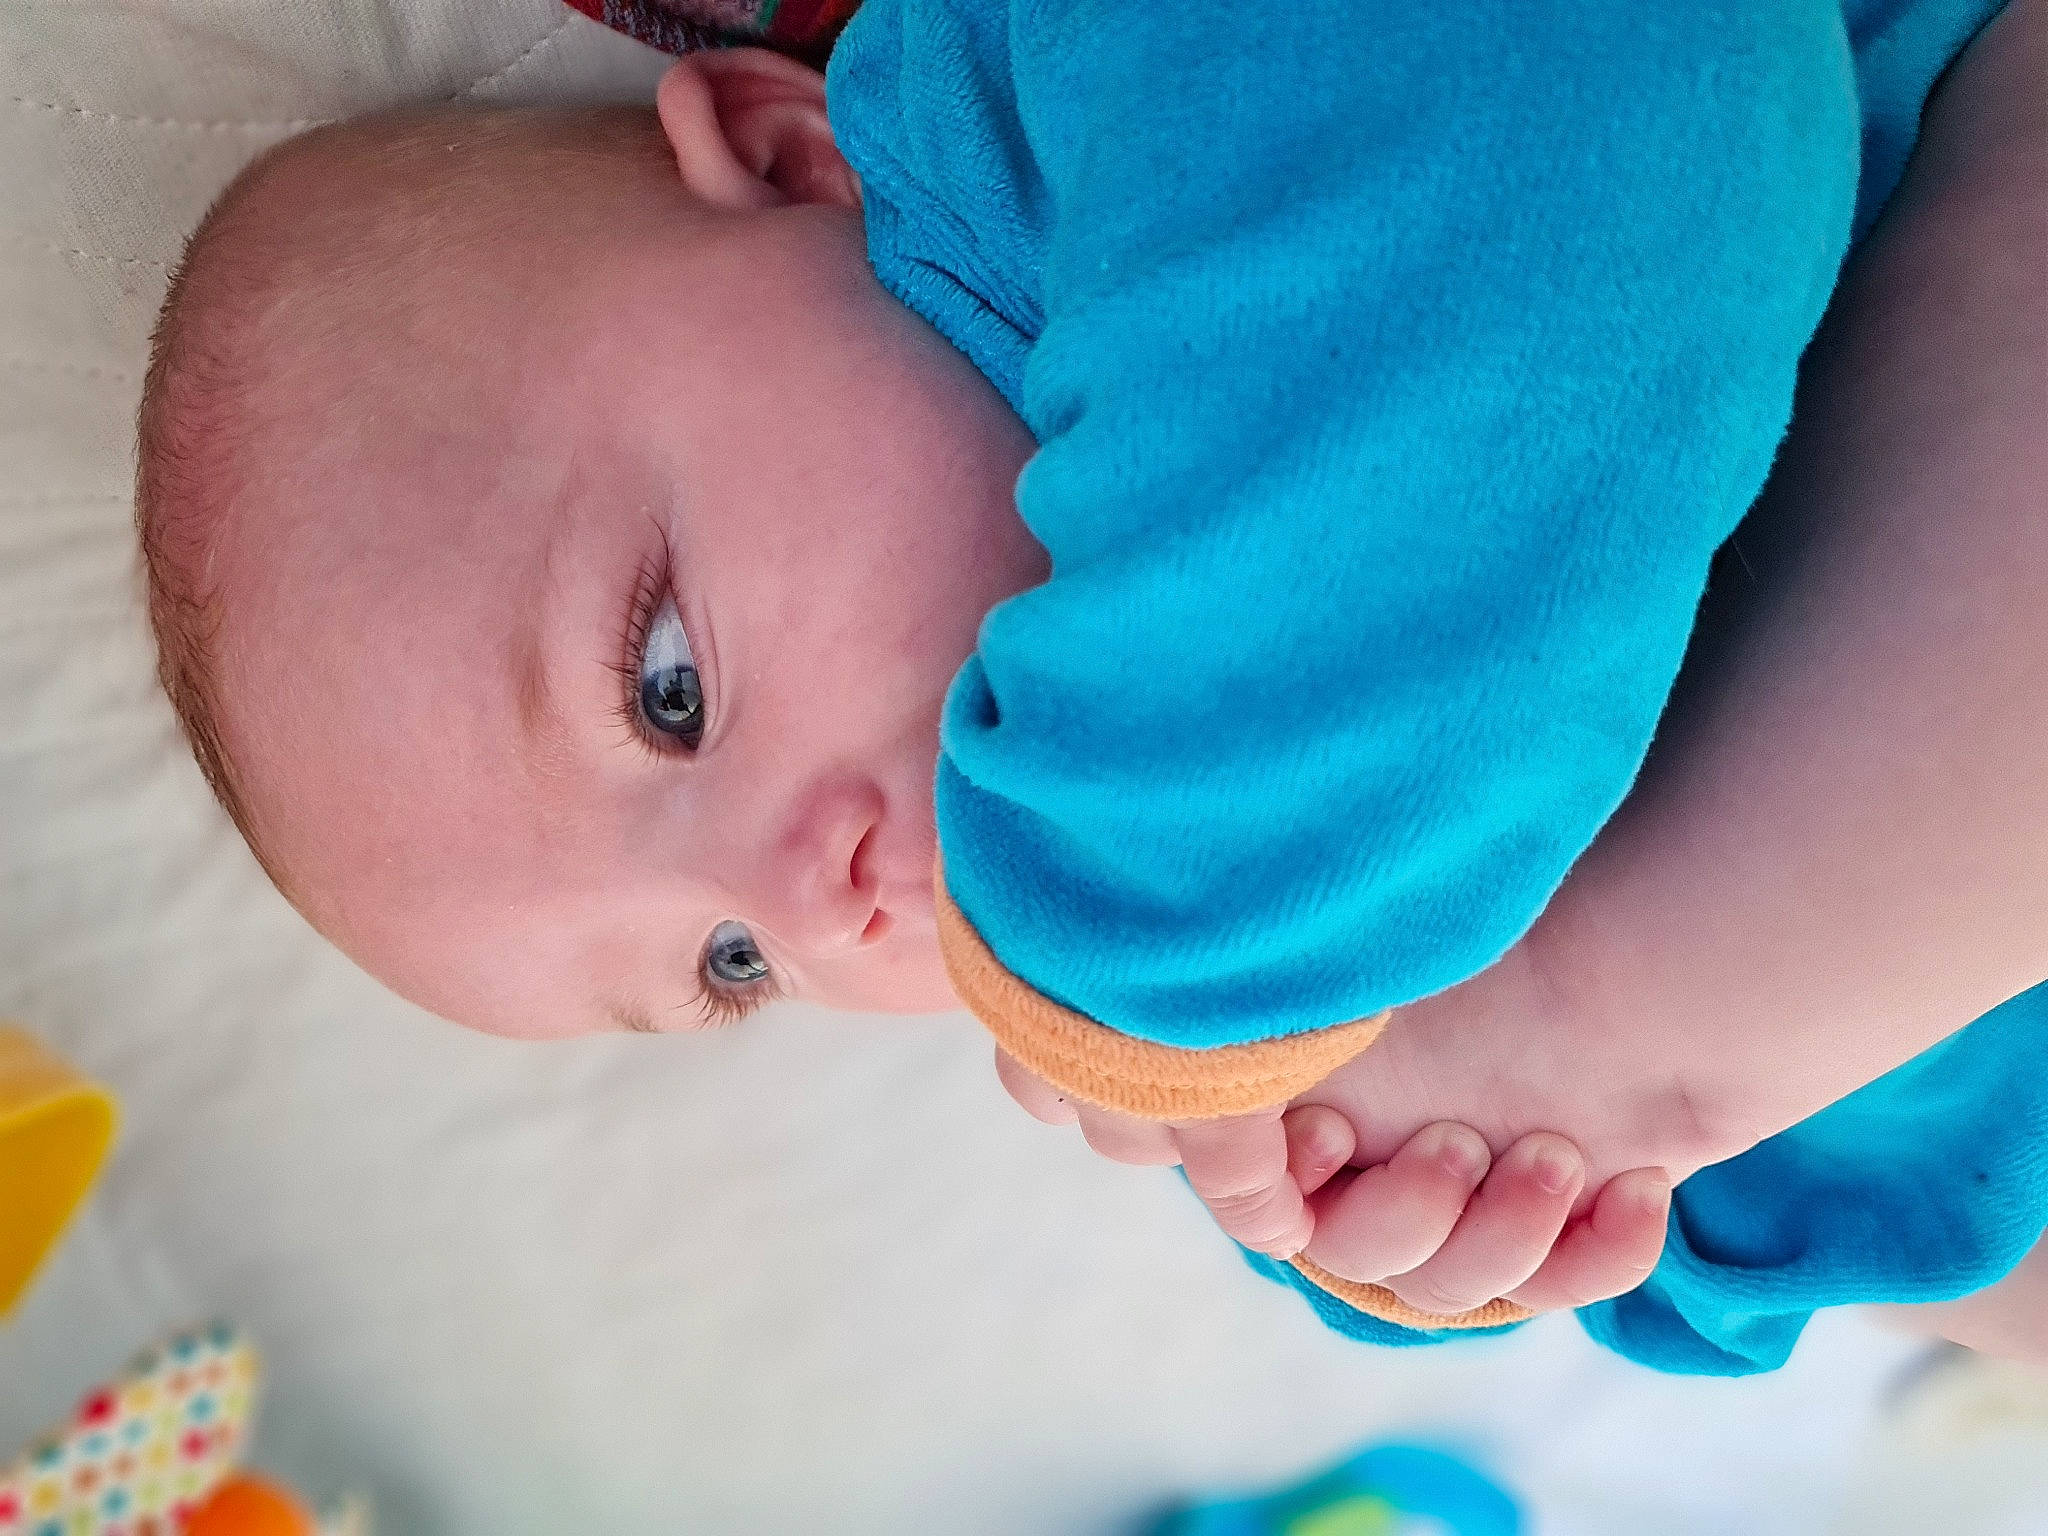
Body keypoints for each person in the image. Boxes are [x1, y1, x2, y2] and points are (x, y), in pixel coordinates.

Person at [132, 0, 2043, 1373]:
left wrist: (1238, 994)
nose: (819, 897)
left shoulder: (1058, 91)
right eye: (734, 966)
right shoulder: (1205, 931)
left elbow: (1576, 117)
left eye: (668, 686)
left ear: (797, 154)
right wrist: (1402, 1200)